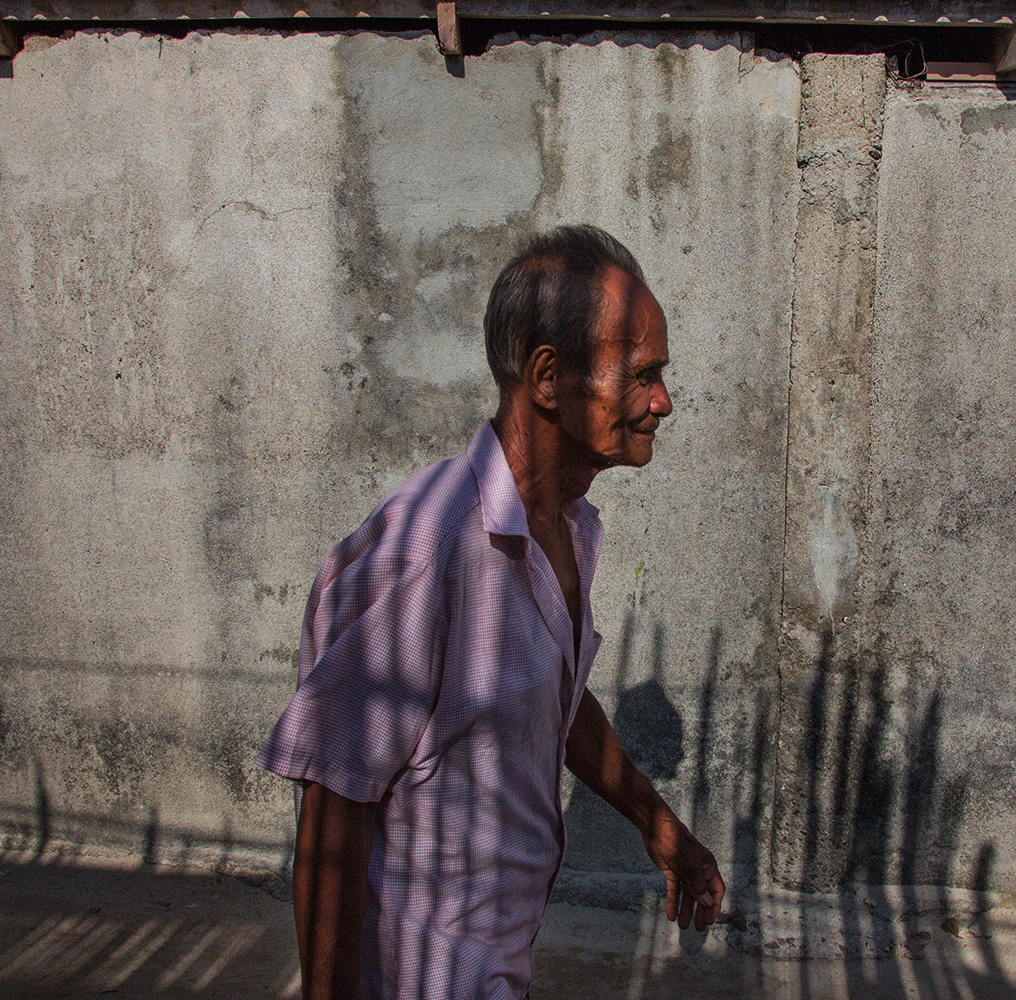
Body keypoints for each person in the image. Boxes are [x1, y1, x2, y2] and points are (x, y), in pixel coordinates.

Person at [255, 225, 724, 1000]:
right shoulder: (430, 551)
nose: (662, 402)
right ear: (548, 375)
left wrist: (655, 819)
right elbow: (332, 797)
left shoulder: (565, 528)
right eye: (642, 375)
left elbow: (550, 701)